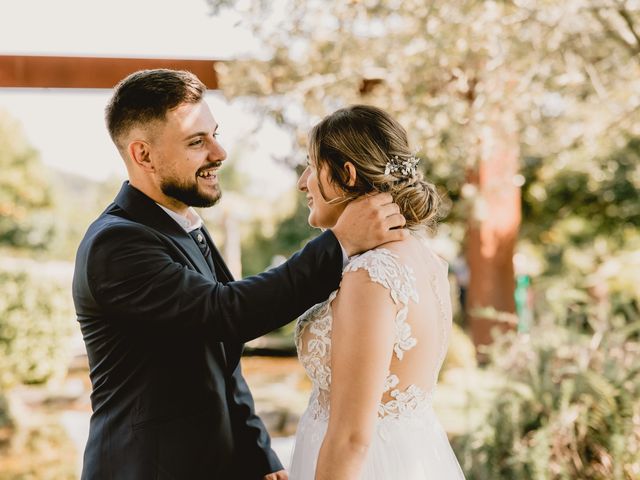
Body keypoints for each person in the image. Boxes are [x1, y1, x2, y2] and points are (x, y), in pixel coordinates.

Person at [72, 70, 407, 480]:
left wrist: (258, 454)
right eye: (197, 142)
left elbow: (220, 352)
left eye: (214, 134)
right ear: (143, 155)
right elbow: (225, 313)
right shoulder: (117, 244)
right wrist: (338, 244)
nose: (220, 152)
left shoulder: (181, 224)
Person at [290, 105, 466, 479]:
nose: (303, 181)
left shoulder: (370, 275)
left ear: (347, 174)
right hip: (411, 454)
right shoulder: (427, 260)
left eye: (311, 165)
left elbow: (352, 437)